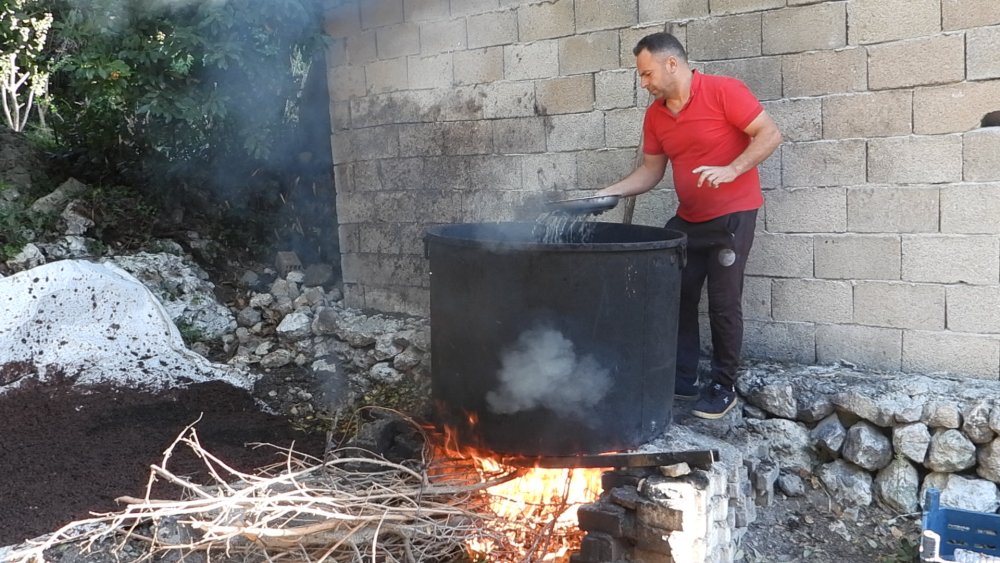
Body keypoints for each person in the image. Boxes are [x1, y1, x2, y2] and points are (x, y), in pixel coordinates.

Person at [597, 32, 782, 420]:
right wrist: (607, 192)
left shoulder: (723, 91)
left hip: (733, 216)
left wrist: (731, 169)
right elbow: (650, 171)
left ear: (671, 64)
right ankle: (682, 378)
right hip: (690, 219)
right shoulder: (656, 115)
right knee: (677, 295)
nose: (644, 83)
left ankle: (724, 385)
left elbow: (770, 134)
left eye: (647, 74)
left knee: (723, 304)